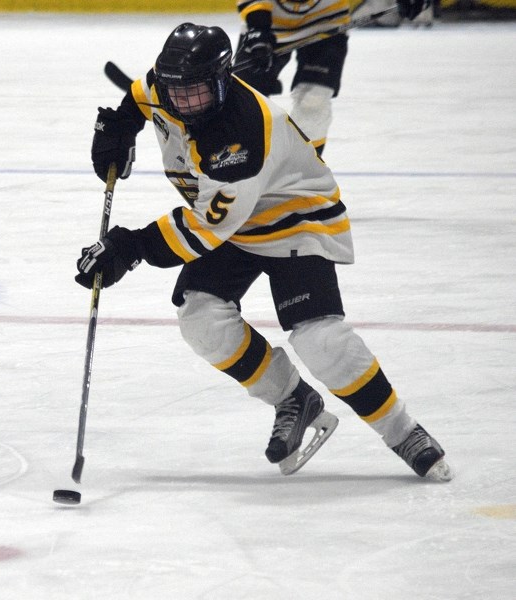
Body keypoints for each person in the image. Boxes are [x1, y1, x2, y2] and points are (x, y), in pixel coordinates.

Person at [78, 22, 451, 480]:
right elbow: (141, 95)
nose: (184, 104)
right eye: (176, 93)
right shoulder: (167, 84)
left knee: (319, 339)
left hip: (296, 220)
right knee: (200, 318)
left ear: (222, 80)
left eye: (196, 93)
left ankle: (403, 431)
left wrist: (128, 246)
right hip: (236, 225)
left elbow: (202, 228)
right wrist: (119, 124)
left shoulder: (239, 135)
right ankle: (293, 398)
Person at [233, 0, 429, 156]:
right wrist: (258, 29)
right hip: (268, 23)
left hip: (327, 23)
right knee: (240, 101)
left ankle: (302, 170)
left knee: (314, 101)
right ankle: (238, 167)